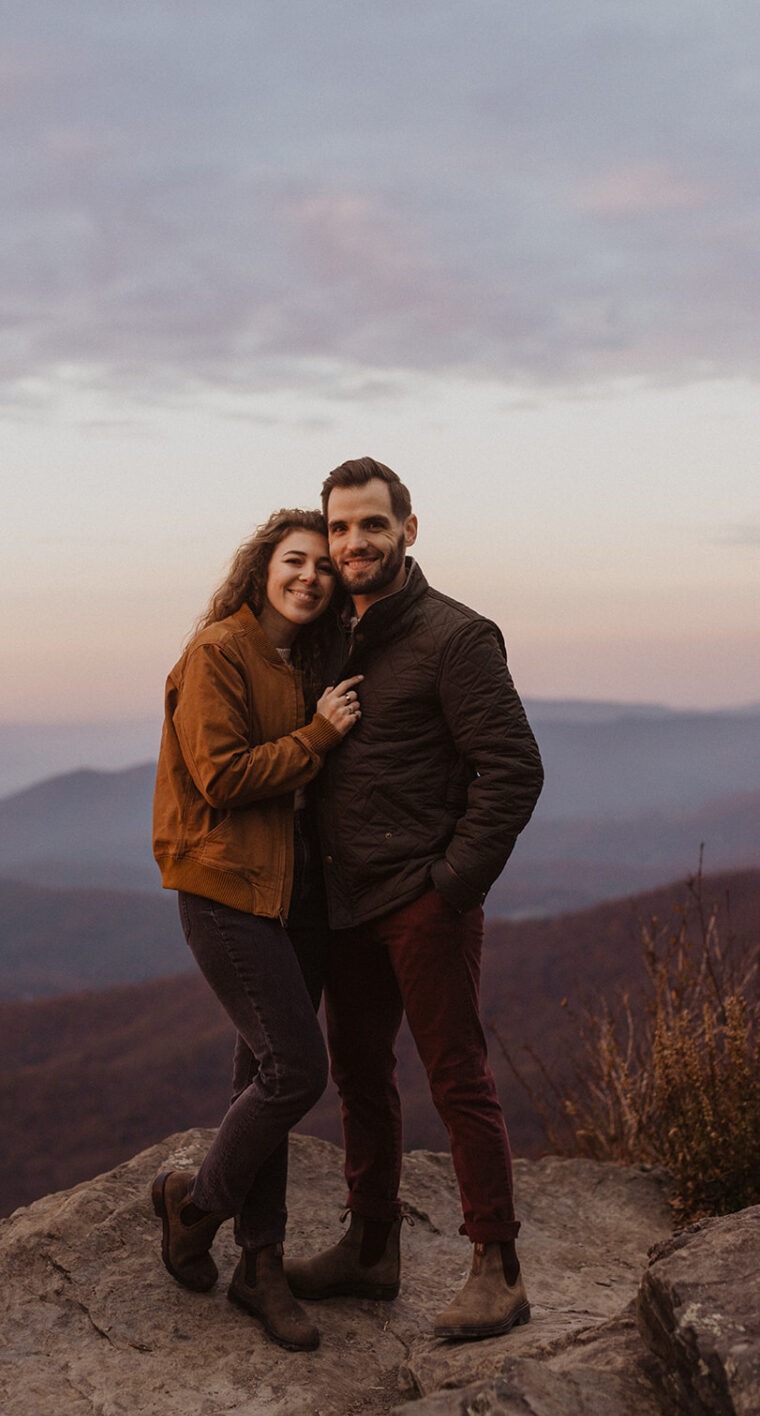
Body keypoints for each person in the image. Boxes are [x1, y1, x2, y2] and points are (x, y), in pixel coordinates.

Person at [283, 457, 544, 1340]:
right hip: (345, 902)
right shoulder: (327, 636)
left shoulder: (456, 637)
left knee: (455, 1076)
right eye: (342, 528)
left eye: (372, 525)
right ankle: (370, 1248)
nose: (355, 542)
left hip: (421, 900)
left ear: (409, 530)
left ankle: (498, 1269)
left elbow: (513, 771)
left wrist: (450, 887)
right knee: (359, 1074)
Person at [151, 508, 363, 1352]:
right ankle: (194, 1205)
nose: (310, 576)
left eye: (323, 567)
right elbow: (223, 774)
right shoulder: (219, 652)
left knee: (261, 1072)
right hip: (226, 890)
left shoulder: (304, 658)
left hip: (295, 893)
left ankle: (261, 1265)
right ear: (261, 568)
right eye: (295, 561)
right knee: (295, 1071)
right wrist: (320, 733)